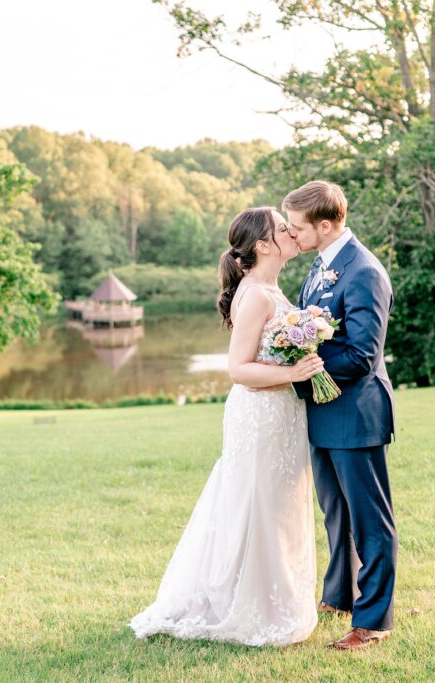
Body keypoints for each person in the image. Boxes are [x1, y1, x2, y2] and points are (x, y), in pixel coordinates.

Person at [129, 207, 324, 647]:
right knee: (257, 504)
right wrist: (294, 374)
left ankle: (277, 599)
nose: (292, 232)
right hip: (260, 414)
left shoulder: (271, 288)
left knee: (277, 504)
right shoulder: (255, 294)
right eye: (282, 229)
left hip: (280, 413)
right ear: (262, 245)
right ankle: (254, 607)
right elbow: (238, 369)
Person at [284, 180, 398, 651]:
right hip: (324, 410)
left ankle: (373, 621)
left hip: (356, 413)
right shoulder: (321, 265)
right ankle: (339, 595)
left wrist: (299, 374)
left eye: (296, 228)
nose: (291, 235)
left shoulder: (363, 271)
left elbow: (363, 354)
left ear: (325, 225)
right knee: (336, 512)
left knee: (370, 521)